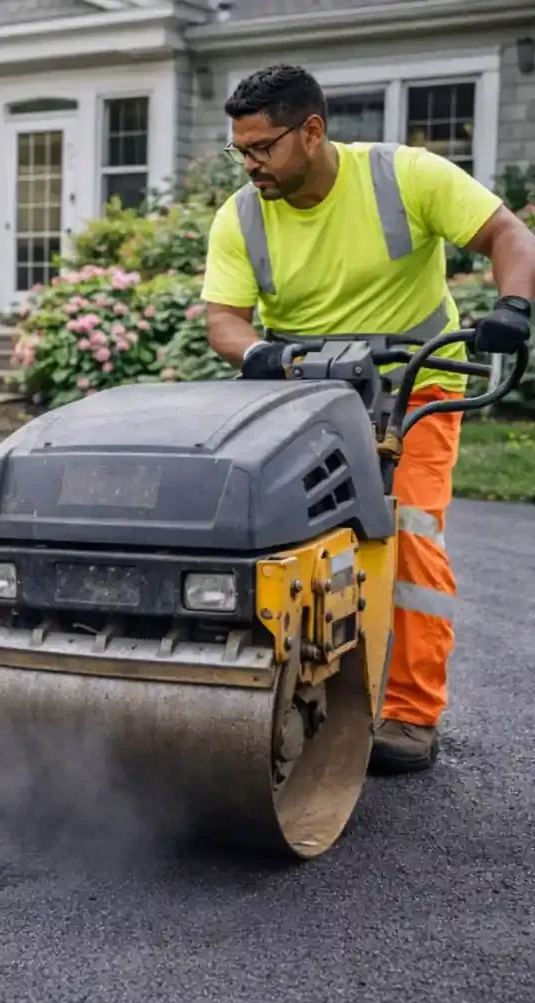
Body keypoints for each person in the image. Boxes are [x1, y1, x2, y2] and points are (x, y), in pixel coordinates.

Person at [201, 64, 535, 774]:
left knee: (406, 530)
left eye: (261, 148)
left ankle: (410, 712)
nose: (250, 164)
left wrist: (513, 309)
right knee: (282, 534)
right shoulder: (242, 214)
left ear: (312, 130)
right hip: (307, 394)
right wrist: (260, 353)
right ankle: (289, 686)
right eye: (242, 150)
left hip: (415, 385)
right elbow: (224, 320)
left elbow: (508, 234)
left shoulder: (403, 175)